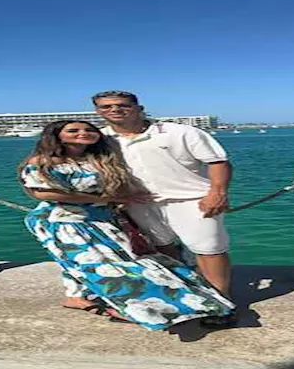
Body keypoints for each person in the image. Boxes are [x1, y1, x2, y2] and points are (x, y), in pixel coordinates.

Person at [18, 120, 236, 331]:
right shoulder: (43, 161)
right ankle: (137, 306)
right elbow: (43, 193)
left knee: (90, 262)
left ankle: (75, 297)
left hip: (102, 219)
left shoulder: (96, 159)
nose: (82, 133)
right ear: (56, 136)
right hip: (65, 222)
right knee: (103, 265)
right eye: (73, 130)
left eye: (88, 129)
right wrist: (108, 199)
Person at [92, 90, 237, 326]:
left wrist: (217, 193)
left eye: (122, 105)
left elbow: (218, 162)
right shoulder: (100, 140)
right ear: (98, 111)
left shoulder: (180, 132)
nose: (115, 110)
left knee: (209, 249)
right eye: (106, 107)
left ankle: (223, 303)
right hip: (139, 203)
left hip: (193, 200)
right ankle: (186, 297)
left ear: (139, 108)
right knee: (161, 249)